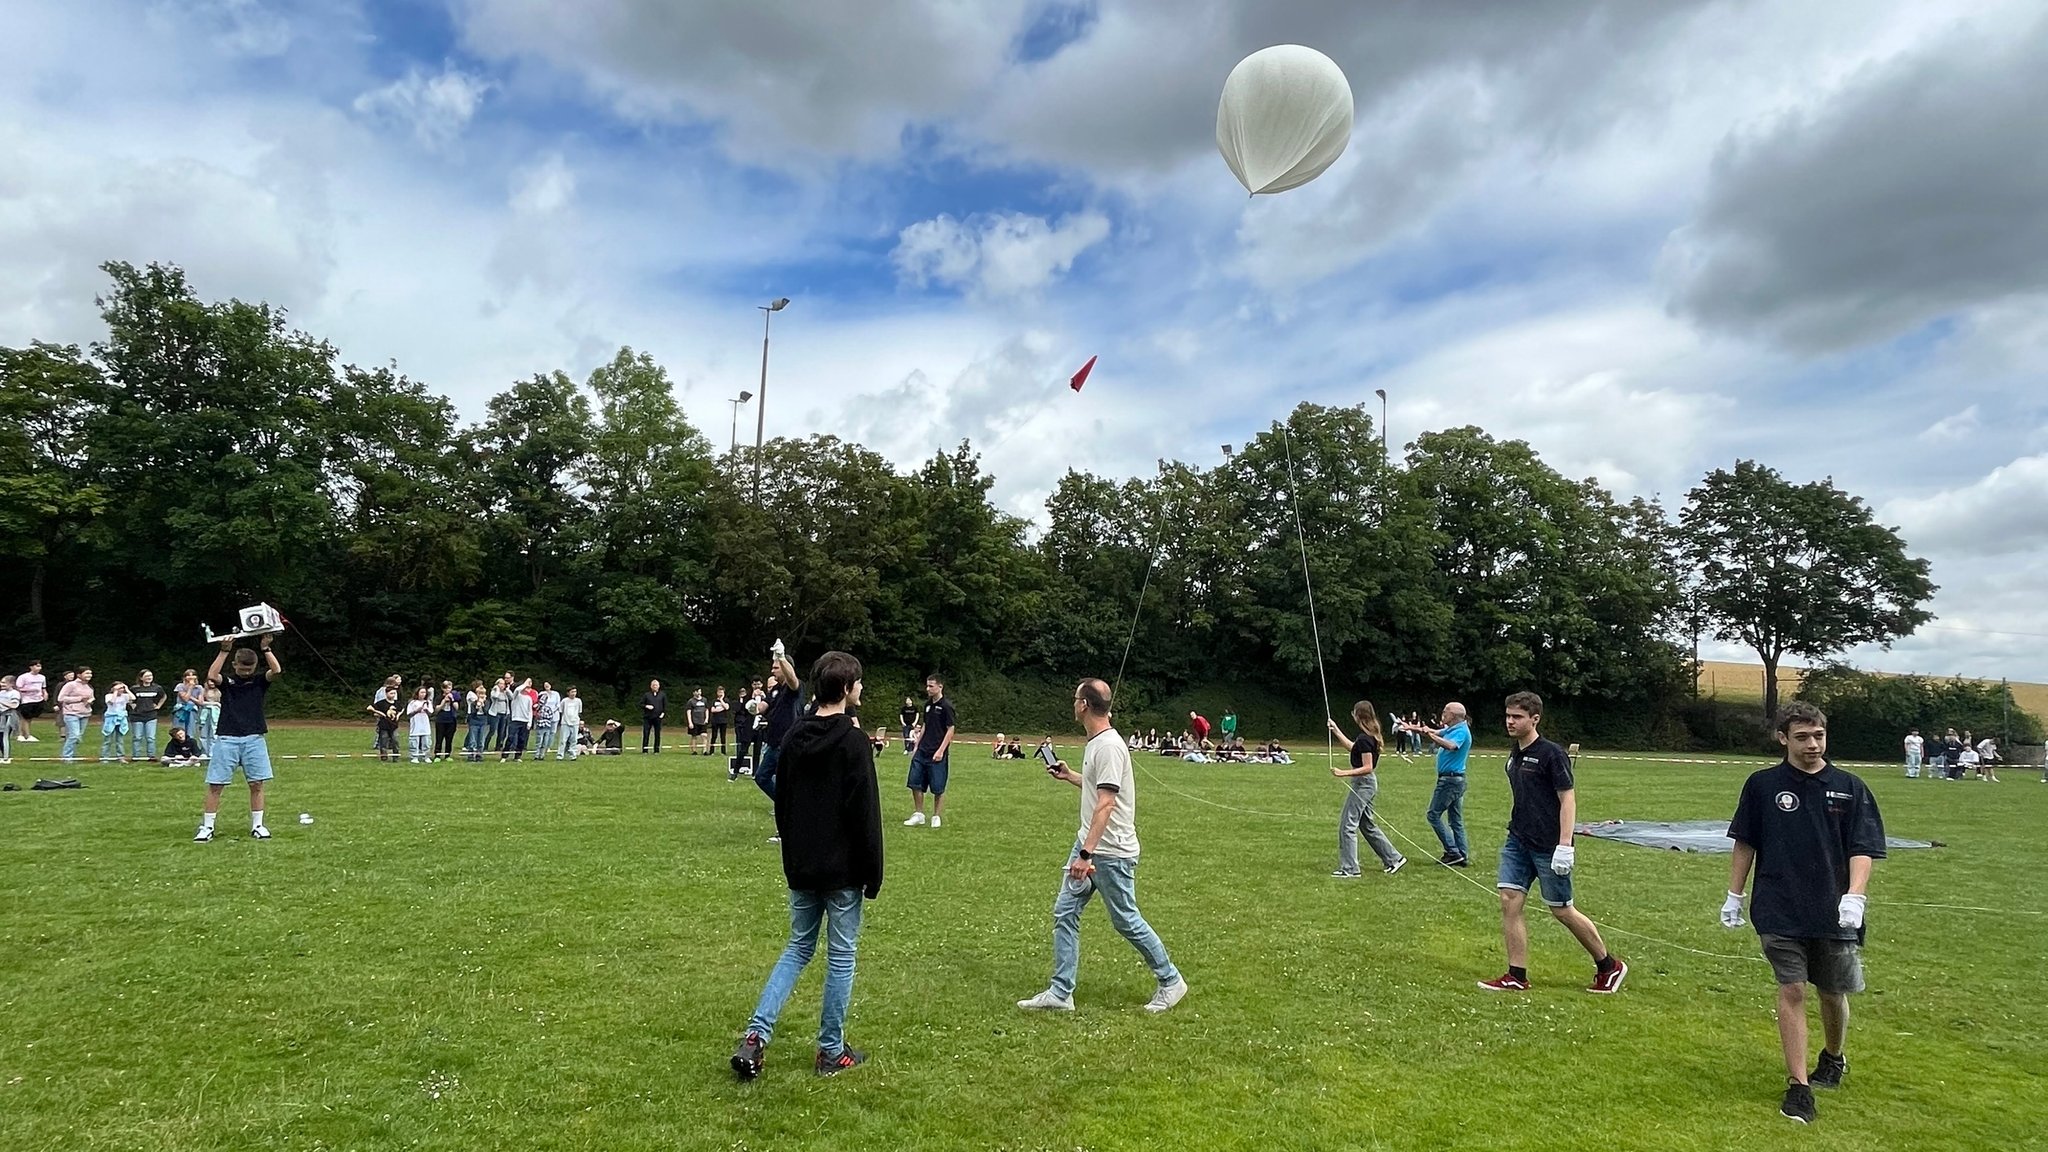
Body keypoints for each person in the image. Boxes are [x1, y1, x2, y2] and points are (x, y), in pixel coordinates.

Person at [1721, 702, 1885, 1125]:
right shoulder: (1762, 785)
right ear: (1782, 738)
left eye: (1819, 736)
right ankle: (1799, 1087)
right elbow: (1745, 842)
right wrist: (1733, 895)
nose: (1812, 745)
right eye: (1802, 737)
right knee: (1792, 989)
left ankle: (1833, 1056)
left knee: (1832, 991)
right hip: (1778, 906)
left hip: (1834, 912)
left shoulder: (1850, 788)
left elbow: (1863, 848)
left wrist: (1856, 895)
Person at [730, 650, 884, 1081]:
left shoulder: (797, 734)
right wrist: (872, 873)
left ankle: (757, 1036)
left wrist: (792, 855)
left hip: (802, 864)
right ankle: (831, 1050)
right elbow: (865, 813)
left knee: (797, 948)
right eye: (859, 684)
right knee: (841, 956)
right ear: (847, 688)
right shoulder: (853, 741)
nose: (861, 690)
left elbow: (784, 801)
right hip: (842, 870)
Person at [1018, 678, 1187, 1014]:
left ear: (1084, 705)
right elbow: (1099, 788)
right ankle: (1061, 992)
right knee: (1065, 912)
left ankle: (1171, 981)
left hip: (1109, 853)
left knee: (1126, 919)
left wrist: (1086, 855)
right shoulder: (1096, 742)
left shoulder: (1108, 746)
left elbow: (1107, 804)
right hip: (1090, 844)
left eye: (1075, 698)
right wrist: (1071, 776)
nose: (1073, 703)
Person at [1477, 692, 1627, 995]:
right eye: (1508, 715)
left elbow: (1567, 798)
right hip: (1517, 839)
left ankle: (1608, 965)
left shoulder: (1551, 754)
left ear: (1535, 719)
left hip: (1549, 846)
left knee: (1562, 910)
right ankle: (1516, 975)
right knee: (1509, 899)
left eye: (1517, 717)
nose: (1510, 721)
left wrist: (1564, 845)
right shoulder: (1515, 752)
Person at [197, 634, 282, 842]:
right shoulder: (227, 681)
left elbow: (277, 671)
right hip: (227, 738)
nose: (245, 672)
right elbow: (212, 674)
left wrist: (266, 648)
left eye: (249, 669)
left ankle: (258, 825)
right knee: (216, 785)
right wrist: (224, 650)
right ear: (234, 665)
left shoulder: (260, 681)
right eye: (242, 668)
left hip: (254, 738)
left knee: (257, 784)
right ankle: (207, 827)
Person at [1325, 701, 1405, 878]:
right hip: (1364, 783)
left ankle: (1350, 868)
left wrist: (1343, 772)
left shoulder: (1365, 738)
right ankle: (1394, 858)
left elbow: (1368, 767)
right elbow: (1353, 748)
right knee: (1366, 824)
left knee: (1347, 825)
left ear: (1358, 715)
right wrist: (1336, 730)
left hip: (1364, 784)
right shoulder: (1367, 737)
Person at [1401, 702, 1473, 866]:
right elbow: (1434, 731)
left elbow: (1451, 746)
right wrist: (1411, 728)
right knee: (1455, 820)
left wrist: (1432, 737)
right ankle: (1461, 855)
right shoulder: (1452, 728)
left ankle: (1453, 852)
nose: (1443, 714)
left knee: (1433, 815)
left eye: (1445, 712)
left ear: (1453, 715)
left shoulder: (1461, 731)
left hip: (1450, 781)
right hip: (1453, 779)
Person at [904, 673, 956, 828]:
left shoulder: (947, 706)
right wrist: (917, 745)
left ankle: (936, 816)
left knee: (937, 786)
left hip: (937, 752)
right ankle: (919, 814)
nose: (928, 689)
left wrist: (941, 750)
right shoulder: (927, 705)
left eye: (931, 686)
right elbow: (925, 725)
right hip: (922, 751)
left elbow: (950, 729)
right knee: (915, 782)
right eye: (927, 685)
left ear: (940, 686)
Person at [755, 651, 804, 802]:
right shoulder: (776, 689)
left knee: (789, 780)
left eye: (776, 667)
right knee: (761, 777)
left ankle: (792, 807)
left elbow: (793, 680)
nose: (772, 670)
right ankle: (785, 804)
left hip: (787, 743)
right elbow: (764, 706)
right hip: (773, 743)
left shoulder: (794, 687)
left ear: (785, 667)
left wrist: (781, 657)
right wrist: (755, 704)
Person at [129, 670, 168, 763]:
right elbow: (128, 697)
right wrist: (131, 705)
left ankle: (151, 756)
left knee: (151, 737)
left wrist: (158, 706)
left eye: (150, 675)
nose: (149, 677)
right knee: (137, 737)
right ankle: (136, 757)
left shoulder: (157, 688)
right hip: (137, 716)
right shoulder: (135, 688)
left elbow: (164, 696)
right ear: (141, 678)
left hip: (151, 715)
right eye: (146, 676)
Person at [57, 667, 95, 762]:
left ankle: (71, 754)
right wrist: (79, 698)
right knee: (74, 735)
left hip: (85, 713)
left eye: (90, 673)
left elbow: (91, 697)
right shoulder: (71, 685)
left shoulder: (89, 687)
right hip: (71, 713)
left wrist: (90, 701)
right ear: (79, 675)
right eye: (86, 673)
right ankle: (67, 757)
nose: (89, 675)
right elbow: (61, 698)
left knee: (77, 737)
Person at [99, 681, 134, 762]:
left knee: (120, 740)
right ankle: (104, 757)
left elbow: (133, 698)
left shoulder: (125, 696)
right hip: (111, 718)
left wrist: (127, 689)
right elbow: (112, 701)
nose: (121, 690)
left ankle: (121, 757)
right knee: (107, 739)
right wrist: (115, 691)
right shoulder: (108, 696)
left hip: (121, 718)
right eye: (119, 688)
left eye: (122, 688)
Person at [502, 677, 536, 761]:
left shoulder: (528, 698)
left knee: (522, 739)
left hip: (524, 721)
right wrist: (525, 682)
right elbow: (517, 690)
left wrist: (529, 722)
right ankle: (504, 756)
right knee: (510, 737)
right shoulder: (516, 696)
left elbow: (530, 711)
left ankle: (517, 756)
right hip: (515, 720)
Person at [16, 661, 48, 742]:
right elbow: (18, 688)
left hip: (37, 699)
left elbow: (43, 687)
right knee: (25, 717)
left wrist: (45, 694)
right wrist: (29, 690)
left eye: (40, 666)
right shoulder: (23, 677)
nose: (39, 668)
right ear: (31, 667)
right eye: (37, 666)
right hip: (26, 700)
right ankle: (26, 735)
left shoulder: (42, 677)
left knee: (30, 718)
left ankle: (23, 734)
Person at [367, 690, 400, 762]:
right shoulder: (381, 703)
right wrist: (377, 712)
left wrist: (398, 715)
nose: (393, 695)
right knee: (383, 741)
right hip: (384, 726)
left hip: (394, 726)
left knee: (395, 740)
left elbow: (401, 710)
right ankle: (384, 757)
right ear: (386, 693)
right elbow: (371, 709)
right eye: (391, 693)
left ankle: (396, 757)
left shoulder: (397, 703)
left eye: (394, 693)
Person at [533, 681, 561, 761]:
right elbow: (539, 704)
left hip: (554, 715)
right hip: (543, 717)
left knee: (552, 732)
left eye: (548, 684)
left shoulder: (556, 694)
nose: (546, 686)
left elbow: (558, 704)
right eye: (545, 685)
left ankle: (548, 747)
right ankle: (538, 753)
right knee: (541, 735)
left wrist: (552, 711)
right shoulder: (542, 694)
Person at [405, 686, 433, 763]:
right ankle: (414, 757)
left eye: (424, 692)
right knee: (414, 741)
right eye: (421, 692)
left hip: (425, 725)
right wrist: (417, 710)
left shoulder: (428, 702)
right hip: (415, 724)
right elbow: (409, 714)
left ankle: (426, 756)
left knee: (426, 742)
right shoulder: (412, 702)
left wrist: (426, 710)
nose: (423, 694)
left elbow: (431, 713)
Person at [640, 679, 667, 754]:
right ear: (651, 686)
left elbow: (665, 705)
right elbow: (640, 704)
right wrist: (646, 706)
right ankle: (645, 750)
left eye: (656, 685)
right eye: (653, 685)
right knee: (646, 733)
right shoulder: (646, 695)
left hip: (658, 718)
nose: (655, 686)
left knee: (657, 734)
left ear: (659, 686)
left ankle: (656, 750)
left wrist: (663, 713)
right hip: (647, 718)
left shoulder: (662, 695)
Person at [557, 687, 584, 760]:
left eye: (575, 692)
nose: (574, 693)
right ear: (568, 693)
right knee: (563, 740)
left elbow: (579, 711)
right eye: (572, 692)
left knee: (574, 740)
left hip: (575, 723)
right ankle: (560, 755)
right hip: (565, 722)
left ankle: (573, 755)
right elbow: (561, 710)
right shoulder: (564, 701)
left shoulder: (578, 701)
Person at [174, 669, 202, 738]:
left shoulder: (199, 687)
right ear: (184, 677)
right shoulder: (180, 686)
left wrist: (190, 697)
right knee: (179, 732)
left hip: (192, 711)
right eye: (188, 675)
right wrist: (190, 688)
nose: (191, 677)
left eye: (193, 675)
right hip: (181, 711)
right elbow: (185, 699)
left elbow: (200, 702)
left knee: (191, 732)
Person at [197, 681, 221, 755]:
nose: (211, 683)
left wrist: (217, 705)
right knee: (203, 733)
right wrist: (214, 704)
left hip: (216, 713)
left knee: (214, 733)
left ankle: (212, 752)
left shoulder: (219, 691)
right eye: (210, 681)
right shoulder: (203, 690)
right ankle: (204, 751)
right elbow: (201, 702)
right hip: (204, 712)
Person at [710, 686, 732, 756]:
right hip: (715, 721)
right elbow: (712, 710)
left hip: (723, 721)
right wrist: (721, 709)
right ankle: (711, 751)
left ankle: (723, 751)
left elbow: (727, 707)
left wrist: (721, 700)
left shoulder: (726, 700)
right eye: (719, 692)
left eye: (722, 692)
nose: (720, 693)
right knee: (714, 736)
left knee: (723, 736)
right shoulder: (714, 701)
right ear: (717, 693)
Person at [687, 689, 711, 754]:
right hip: (694, 721)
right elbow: (688, 712)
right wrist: (690, 722)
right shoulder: (691, 701)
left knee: (704, 736)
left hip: (702, 721)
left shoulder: (704, 700)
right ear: (694, 692)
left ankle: (705, 751)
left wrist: (706, 719)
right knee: (694, 736)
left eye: (700, 691)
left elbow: (706, 710)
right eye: (697, 691)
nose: (699, 693)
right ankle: (694, 751)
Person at [0, 674, 18, 763]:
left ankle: (6, 757)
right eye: (1, 682)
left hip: (9, 716)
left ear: (11, 684)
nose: (2, 684)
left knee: (4, 736)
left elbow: (14, 705)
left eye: (4, 683)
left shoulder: (14, 693)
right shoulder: (1, 693)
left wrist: (2, 702)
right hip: (1, 716)